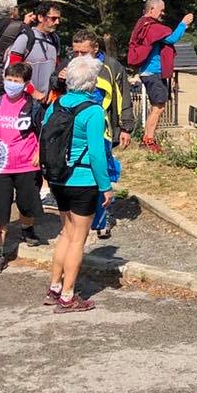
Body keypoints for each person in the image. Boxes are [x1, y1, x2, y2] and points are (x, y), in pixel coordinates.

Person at [43, 56, 113, 313]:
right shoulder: (93, 112)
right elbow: (97, 153)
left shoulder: (56, 105)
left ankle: (54, 287)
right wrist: (105, 186)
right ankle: (68, 296)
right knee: (78, 239)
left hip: (58, 178)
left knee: (65, 233)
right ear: (92, 82)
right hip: (83, 180)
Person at [0, 62, 47, 275]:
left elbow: (43, 131)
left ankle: (27, 228)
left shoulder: (33, 106)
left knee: (28, 204)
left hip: (27, 164)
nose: (11, 84)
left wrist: (40, 153)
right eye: (9, 79)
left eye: (16, 81)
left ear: (26, 84)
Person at [70, 29, 133, 237]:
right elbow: (57, 87)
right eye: (76, 52)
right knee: (80, 173)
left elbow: (124, 96)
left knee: (101, 170)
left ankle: (102, 218)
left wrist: (125, 127)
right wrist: (58, 79)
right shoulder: (71, 63)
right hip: (76, 128)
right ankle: (80, 217)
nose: (79, 56)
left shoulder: (112, 66)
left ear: (95, 49)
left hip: (102, 127)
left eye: (84, 52)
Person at [127, 0, 192, 151]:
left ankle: (148, 138)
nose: (163, 13)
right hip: (153, 71)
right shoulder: (150, 25)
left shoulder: (143, 24)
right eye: (161, 10)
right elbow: (171, 39)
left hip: (150, 71)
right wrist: (184, 23)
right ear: (151, 10)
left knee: (159, 106)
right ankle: (148, 140)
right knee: (158, 107)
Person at [6, 1, 62, 100]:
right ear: (40, 17)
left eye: (58, 18)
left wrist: (55, 90)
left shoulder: (55, 40)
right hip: (26, 98)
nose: (57, 22)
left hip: (49, 99)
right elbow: (12, 70)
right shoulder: (26, 38)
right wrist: (33, 92)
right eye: (53, 18)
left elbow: (57, 69)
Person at [0, 0, 29, 94]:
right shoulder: (18, 27)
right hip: (12, 79)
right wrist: (25, 25)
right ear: (12, 10)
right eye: (17, 7)